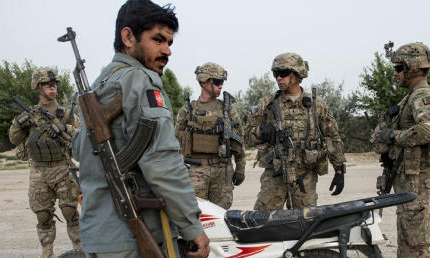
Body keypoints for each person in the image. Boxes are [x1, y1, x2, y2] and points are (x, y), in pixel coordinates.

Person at [71, 1, 209, 257]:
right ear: (128, 36)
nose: (167, 50)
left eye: (169, 43)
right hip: (132, 238)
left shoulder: (99, 84)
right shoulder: (138, 80)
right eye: (158, 40)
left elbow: (81, 154)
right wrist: (192, 227)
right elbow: (162, 162)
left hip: (101, 237)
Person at [372, 42, 430, 257]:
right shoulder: (412, 96)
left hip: (419, 180)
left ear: (412, 68)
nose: (395, 74)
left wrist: (395, 136)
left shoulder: (422, 95)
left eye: (398, 68)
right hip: (411, 179)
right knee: (408, 244)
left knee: (414, 247)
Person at [247, 53, 347, 210]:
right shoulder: (267, 104)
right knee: (263, 221)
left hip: (305, 175)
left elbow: (332, 137)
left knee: (305, 222)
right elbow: (249, 136)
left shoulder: (316, 105)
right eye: (276, 74)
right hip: (275, 174)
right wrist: (261, 131)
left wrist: (339, 170)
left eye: (283, 73)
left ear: (297, 74)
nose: (279, 78)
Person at [8, 68, 81, 258]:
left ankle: (79, 248)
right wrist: (18, 124)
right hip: (38, 170)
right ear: (38, 87)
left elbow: (82, 137)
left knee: (69, 210)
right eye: (48, 85)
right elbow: (14, 139)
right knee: (43, 215)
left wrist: (64, 127)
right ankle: (47, 251)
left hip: (62, 167)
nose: (53, 88)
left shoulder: (64, 113)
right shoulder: (30, 115)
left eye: (55, 84)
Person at [175, 62, 246, 209]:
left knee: (221, 215)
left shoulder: (227, 110)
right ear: (204, 81)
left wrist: (240, 168)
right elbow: (175, 141)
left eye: (222, 82)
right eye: (218, 82)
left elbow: (238, 141)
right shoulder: (188, 110)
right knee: (196, 214)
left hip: (222, 170)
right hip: (195, 170)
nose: (221, 86)